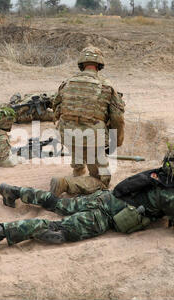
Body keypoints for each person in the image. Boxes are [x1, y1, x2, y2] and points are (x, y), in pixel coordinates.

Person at [0, 147, 174, 261]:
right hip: (102, 217)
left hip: (103, 198)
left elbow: (171, 195)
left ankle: (16, 191)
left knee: (58, 204)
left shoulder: (158, 174)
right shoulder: (169, 195)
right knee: (59, 231)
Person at [50, 46, 125, 197]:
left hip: (67, 135)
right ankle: (65, 184)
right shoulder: (106, 86)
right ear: (99, 65)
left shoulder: (67, 82)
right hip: (91, 139)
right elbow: (117, 118)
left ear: (81, 64)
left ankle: (78, 168)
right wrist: (116, 141)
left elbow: (56, 108)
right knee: (102, 181)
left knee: (76, 134)